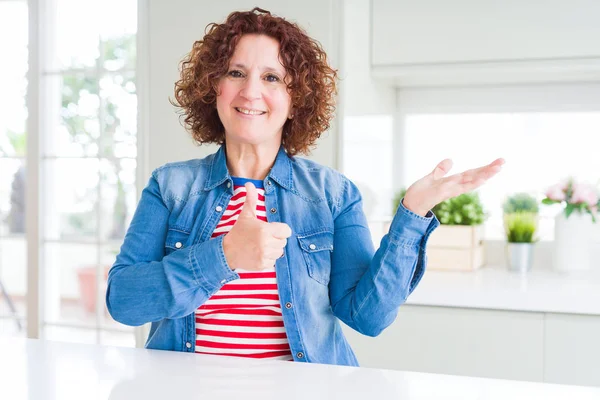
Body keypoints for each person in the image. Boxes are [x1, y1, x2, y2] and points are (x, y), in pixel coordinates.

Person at [106, 8, 504, 365]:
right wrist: (224, 255)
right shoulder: (170, 185)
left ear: (296, 101)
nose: (251, 92)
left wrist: (413, 213)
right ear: (214, 87)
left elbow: (367, 317)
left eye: (272, 77)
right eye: (236, 72)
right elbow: (123, 302)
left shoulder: (333, 195)